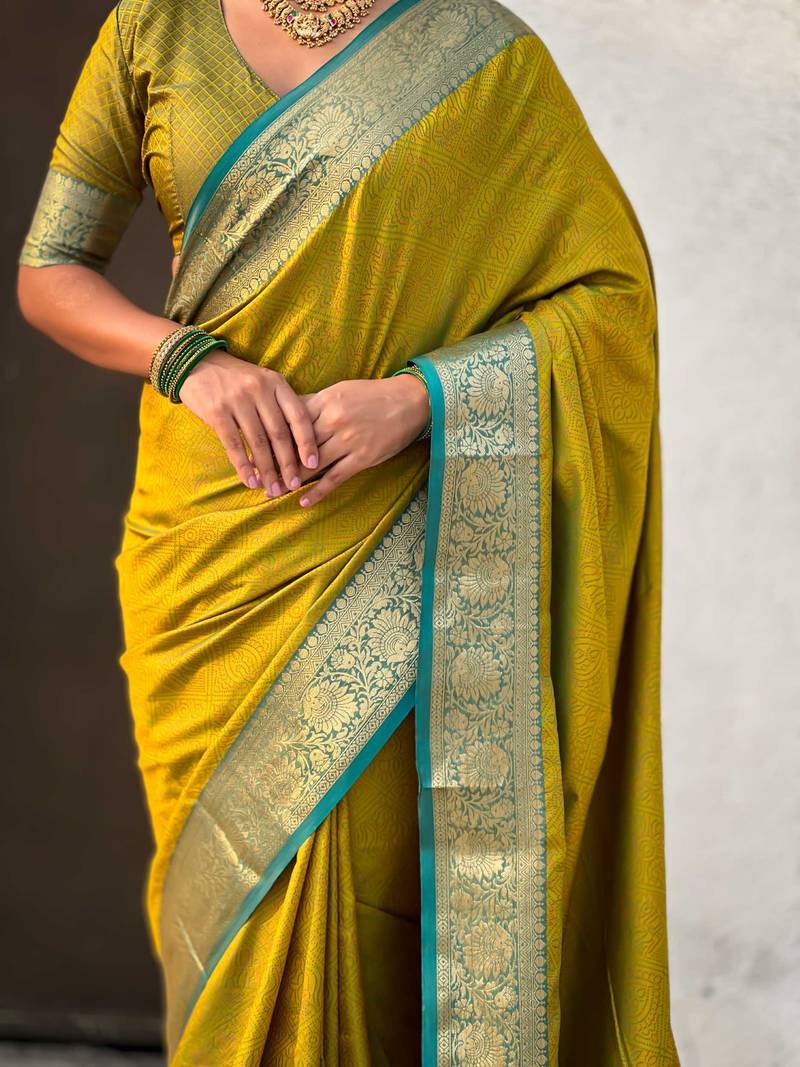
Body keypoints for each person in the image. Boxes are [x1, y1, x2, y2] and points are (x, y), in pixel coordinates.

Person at [16, 0, 681, 1063]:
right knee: (226, 913)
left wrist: (423, 398)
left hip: (403, 542)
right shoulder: (154, 27)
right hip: (207, 548)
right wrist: (188, 361)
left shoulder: (480, 53)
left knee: (376, 902)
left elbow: (607, 298)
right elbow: (50, 271)